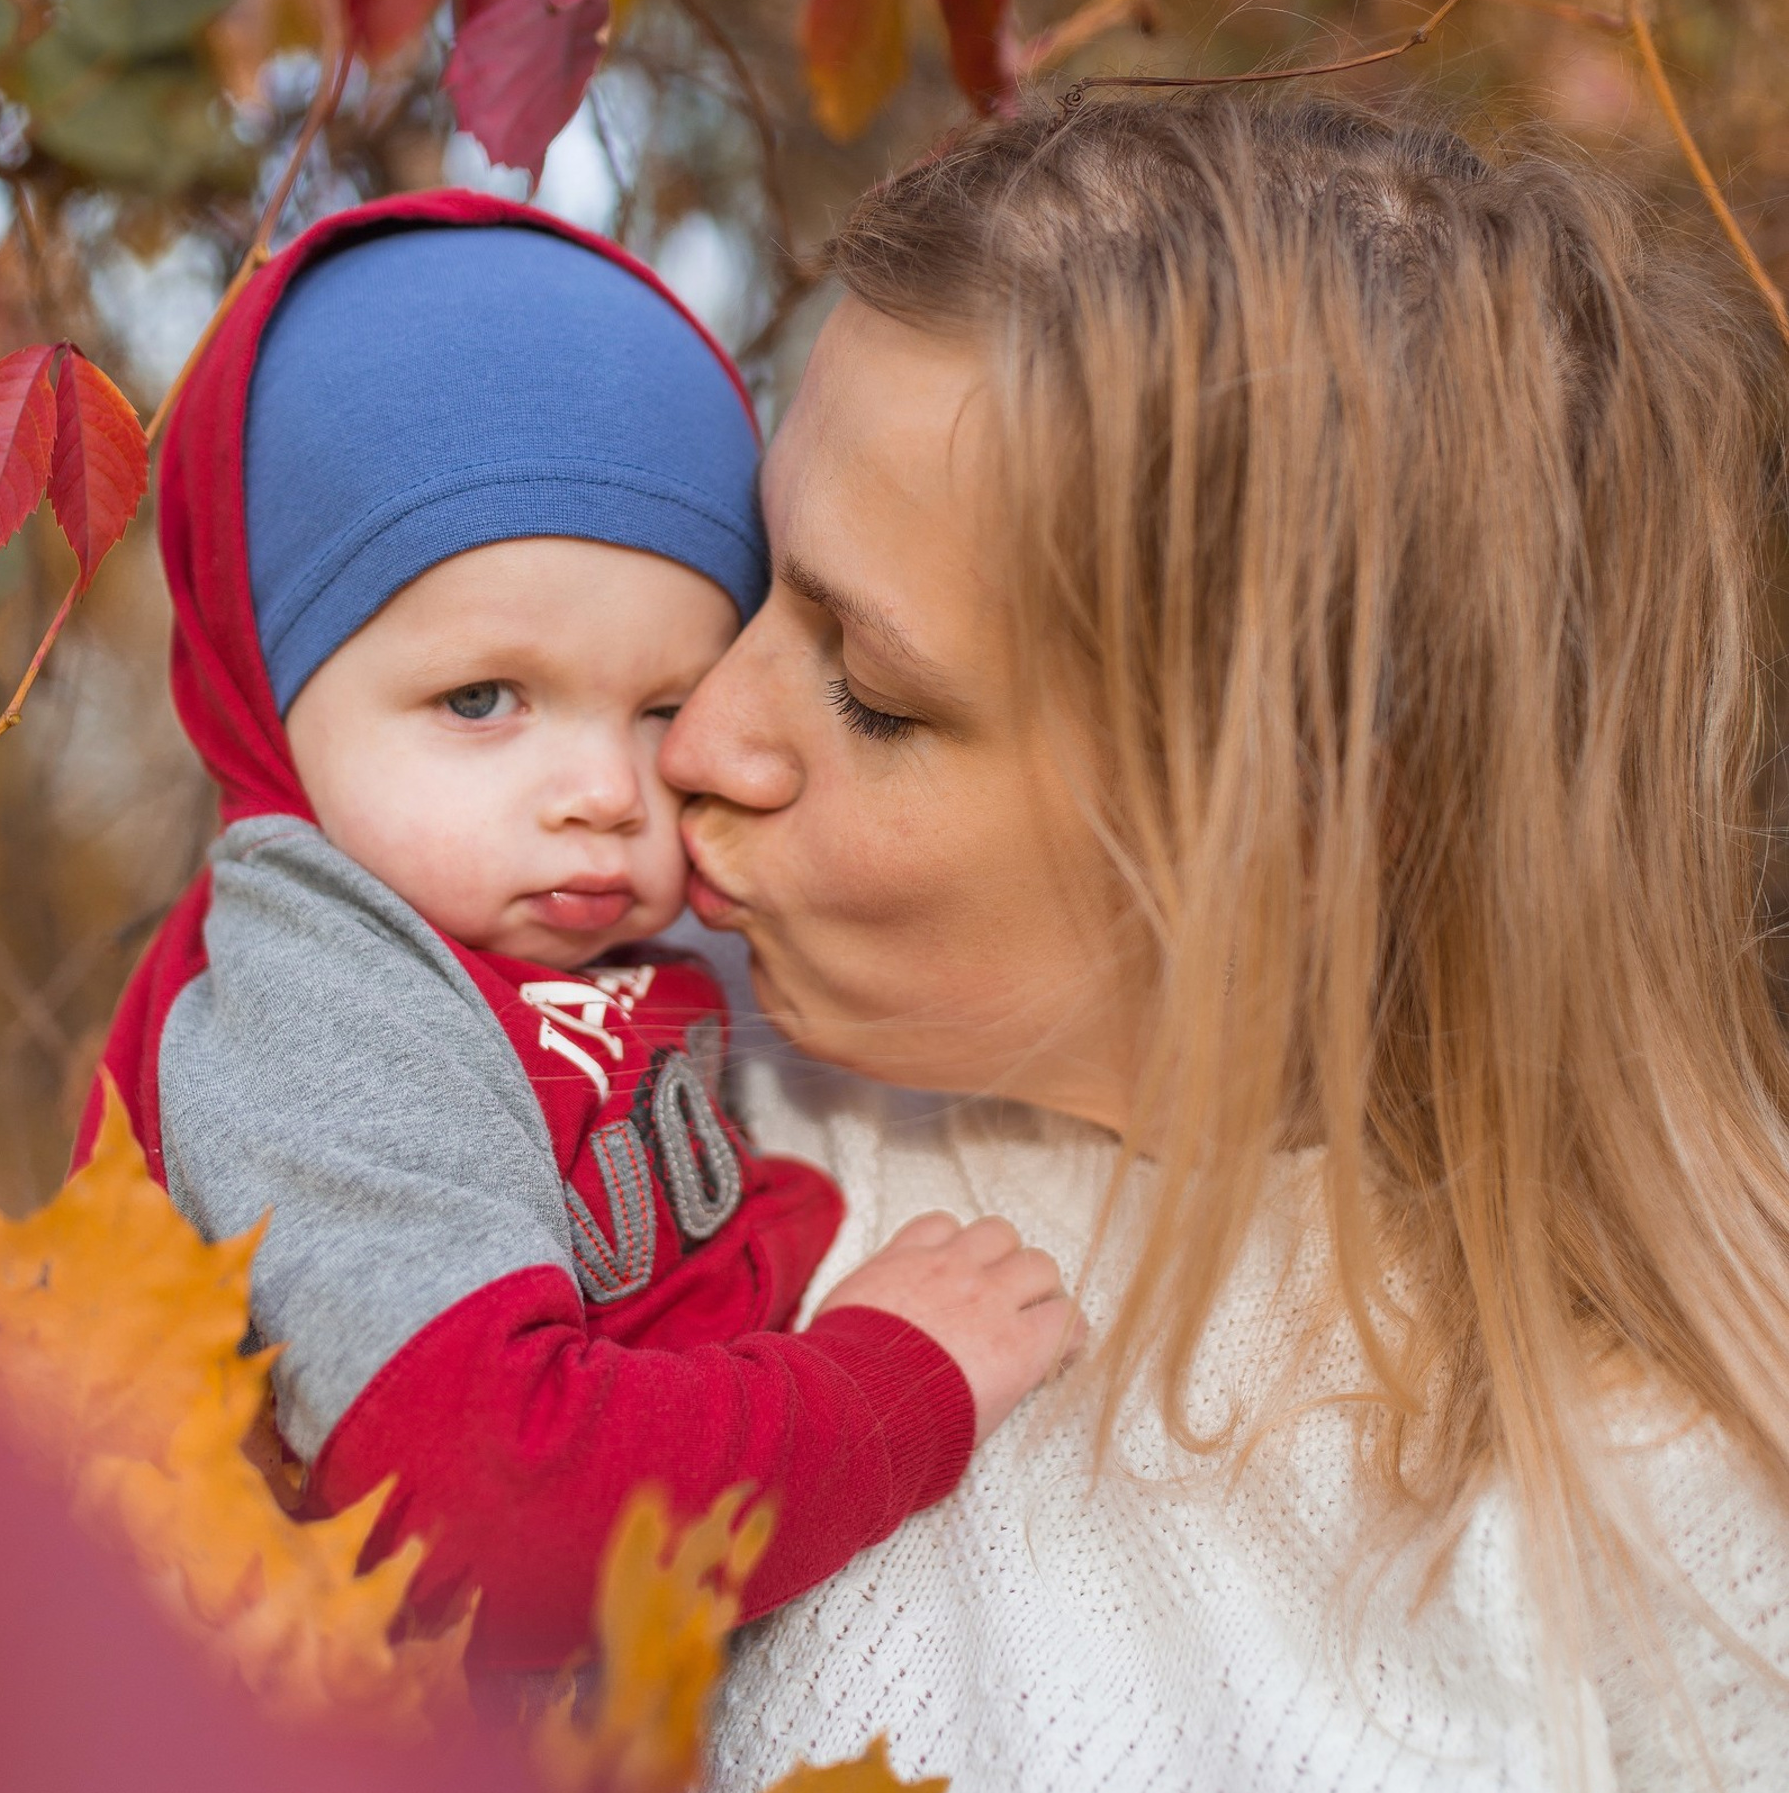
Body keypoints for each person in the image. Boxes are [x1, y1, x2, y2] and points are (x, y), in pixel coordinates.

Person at [661, 96, 1789, 1789]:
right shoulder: (607, 1121)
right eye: (755, 574)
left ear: (1310, 833)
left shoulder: (1674, 1545)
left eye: (874, 694)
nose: (694, 739)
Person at [70, 193, 1081, 1674]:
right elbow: (491, 1500)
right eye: (483, 700)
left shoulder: (572, 935)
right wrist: (880, 1388)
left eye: (667, 705)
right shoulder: (319, 1000)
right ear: (266, 693)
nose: (607, 794)